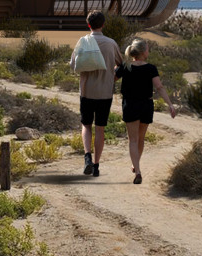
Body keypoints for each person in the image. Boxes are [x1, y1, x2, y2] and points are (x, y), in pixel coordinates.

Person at [115, 38, 176, 184]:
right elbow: (159, 87)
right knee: (141, 138)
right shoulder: (150, 68)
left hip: (130, 105)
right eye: (147, 49)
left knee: (133, 140)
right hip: (146, 105)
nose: (149, 51)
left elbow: (112, 78)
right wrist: (170, 104)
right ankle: (136, 166)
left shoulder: (126, 66)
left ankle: (137, 170)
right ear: (143, 52)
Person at [70, 10, 122, 177]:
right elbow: (122, 65)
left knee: (86, 125)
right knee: (100, 129)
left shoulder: (83, 41)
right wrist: (112, 78)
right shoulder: (111, 43)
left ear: (89, 24)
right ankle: (97, 165)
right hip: (105, 93)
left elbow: (73, 65)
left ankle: (87, 157)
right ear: (103, 24)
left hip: (86, 92)